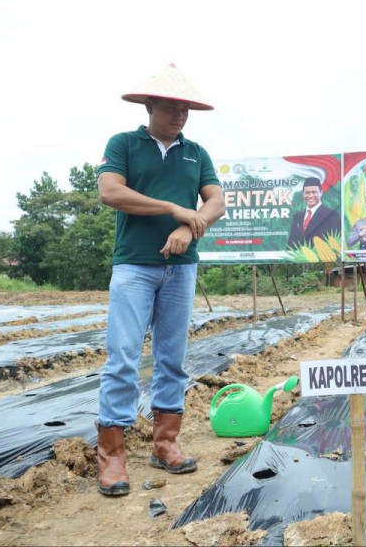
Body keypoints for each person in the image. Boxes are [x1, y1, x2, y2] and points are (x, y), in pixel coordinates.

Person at [95, 63, 225, 497]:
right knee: (124, 357)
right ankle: (112, 456)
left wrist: (189, 228)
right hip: (134, 264)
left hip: (181, 268)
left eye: (185, 108)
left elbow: (216, 202)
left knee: (172, 357)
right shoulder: (125, 145)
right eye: (172, 107)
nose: (180, 115)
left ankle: (165, 442)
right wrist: (172, 209)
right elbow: (110, 192)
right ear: (149, 105)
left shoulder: (196, 153)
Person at [287, 177, 341, 247]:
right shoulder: (297, 216)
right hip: (299, 257)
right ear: (303, 194)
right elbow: (290, 245)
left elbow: (336, 243)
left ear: (321, 193)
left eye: (314, 192)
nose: (310, 196)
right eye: (307, 193)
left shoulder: (332, 216)